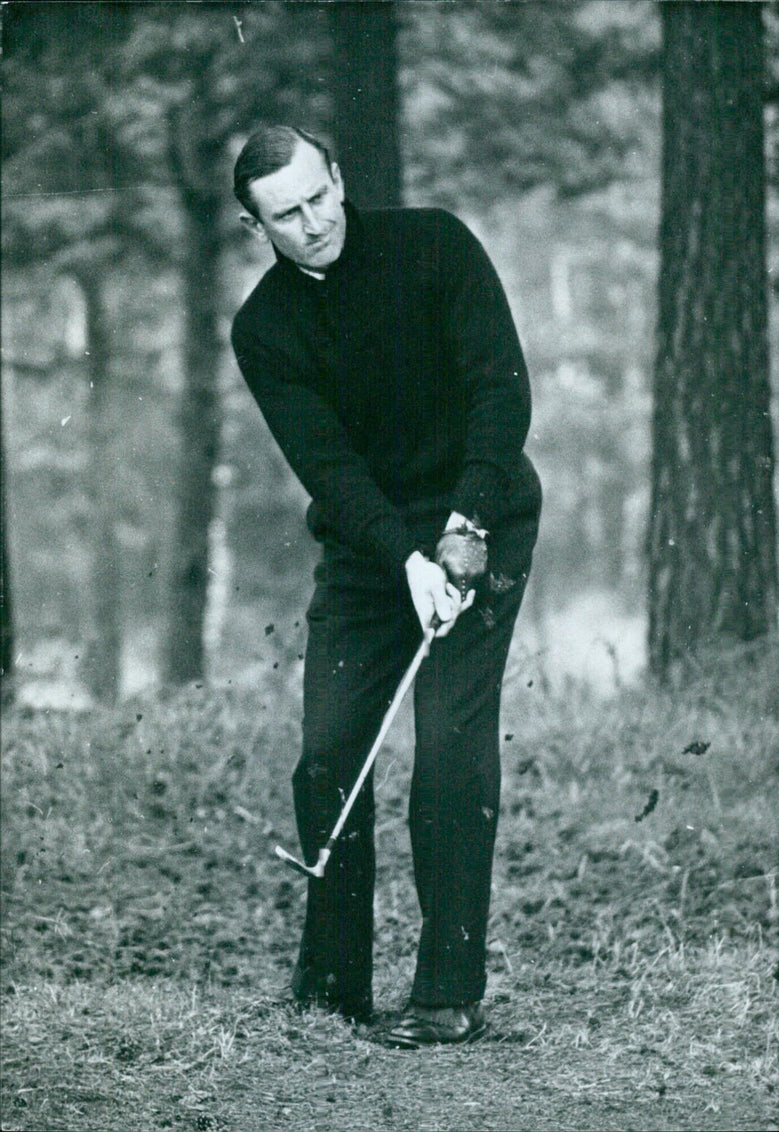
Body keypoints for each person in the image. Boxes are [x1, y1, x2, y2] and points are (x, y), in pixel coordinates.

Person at [230, 125, 541, 1048]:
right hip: (371, 549)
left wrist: (463, 528)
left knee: (447, 746)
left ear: (338, 176)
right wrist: (404, 560)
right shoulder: (263, 328)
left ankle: (447, 993)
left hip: (479, 514)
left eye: (320, 195)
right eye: (286, 214)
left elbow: (501, 389)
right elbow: (327, 465)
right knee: (328, 753)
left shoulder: (434, 245)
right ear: (257, 226)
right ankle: (333, 986)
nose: (315, 222)